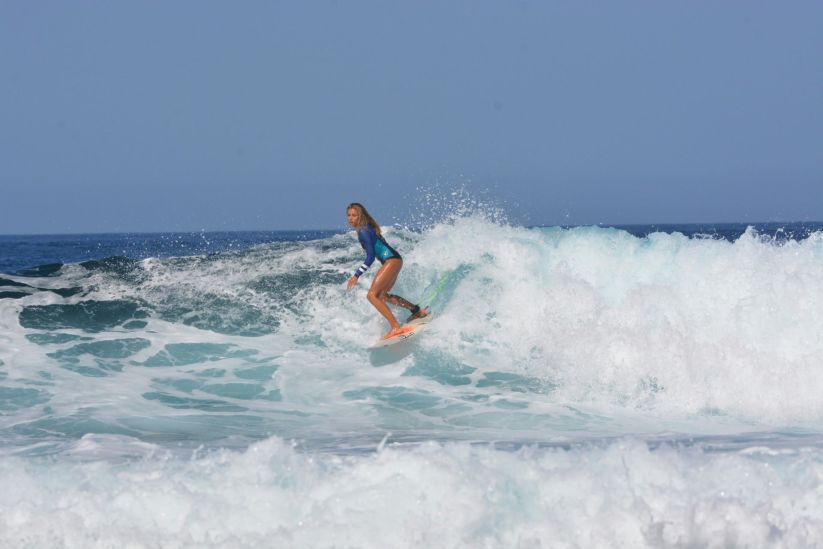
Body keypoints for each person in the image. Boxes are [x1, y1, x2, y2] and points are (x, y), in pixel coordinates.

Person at [346, 203, 428, 339]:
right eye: (349, 215)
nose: (351, 218)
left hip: (391, 260)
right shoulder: (367, 228)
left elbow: (370, 257)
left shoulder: (363, 231)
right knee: (382, 296)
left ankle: (395, 327)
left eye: (354, 215)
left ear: (361, 216)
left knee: (372, 295)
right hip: (394, 260)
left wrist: (356, 275)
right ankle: (416, 310)